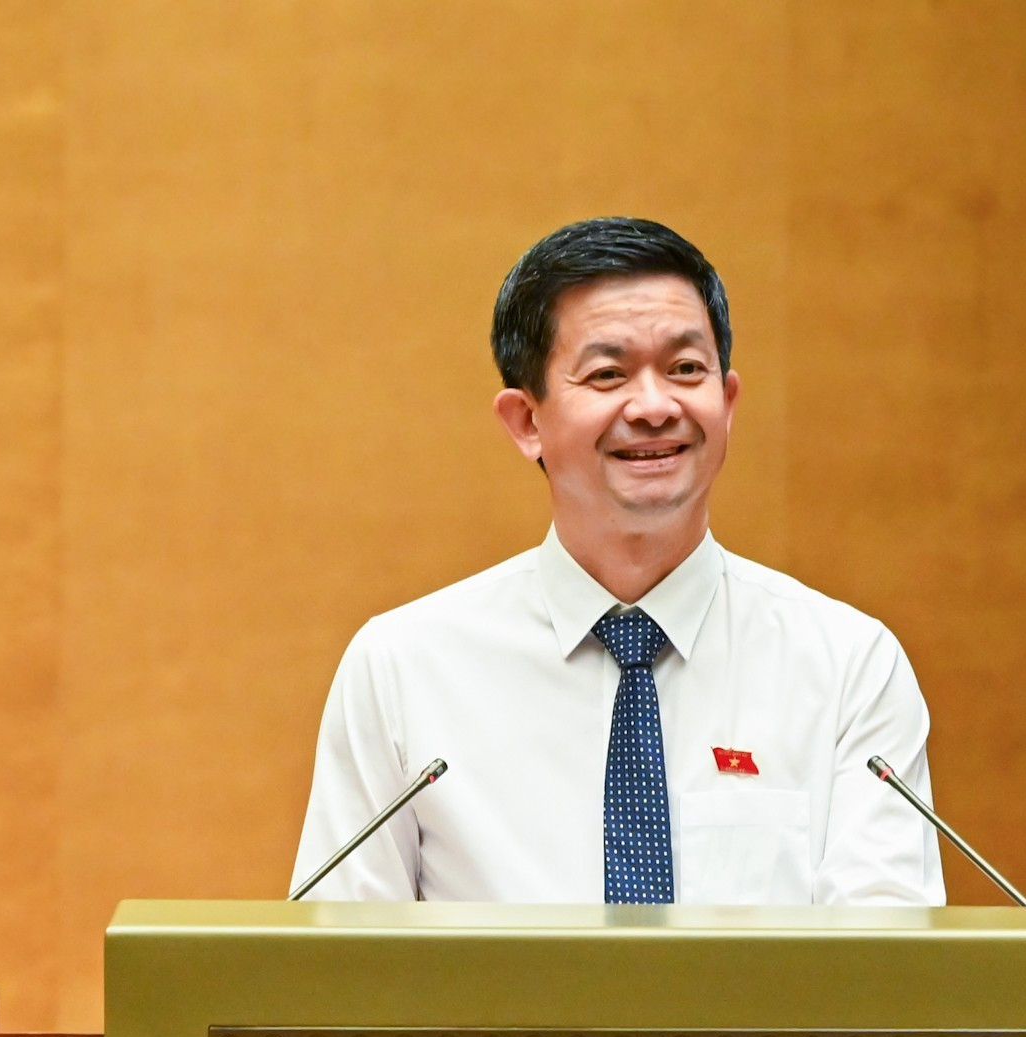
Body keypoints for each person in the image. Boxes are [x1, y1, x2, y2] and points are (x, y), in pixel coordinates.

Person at [291, 217, 944, 905]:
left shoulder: (847, 666)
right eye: (608, 374)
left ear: (727, 402)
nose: (656, 406)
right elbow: (337, 959)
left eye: (686, 369)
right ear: (526, 421)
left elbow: (885, 961)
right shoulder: (403, 667)